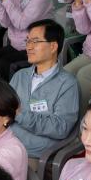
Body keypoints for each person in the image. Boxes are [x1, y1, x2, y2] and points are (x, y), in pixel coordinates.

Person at [8, 19, 80, 158]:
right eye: (28, 41)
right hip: (7, 145)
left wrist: (20, 115)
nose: (29, 47)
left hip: (33, 154)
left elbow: (61, 128)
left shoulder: (67, 84)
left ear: (53, 47)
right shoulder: (20, 76)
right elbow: (5, 108)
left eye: (35, 41)